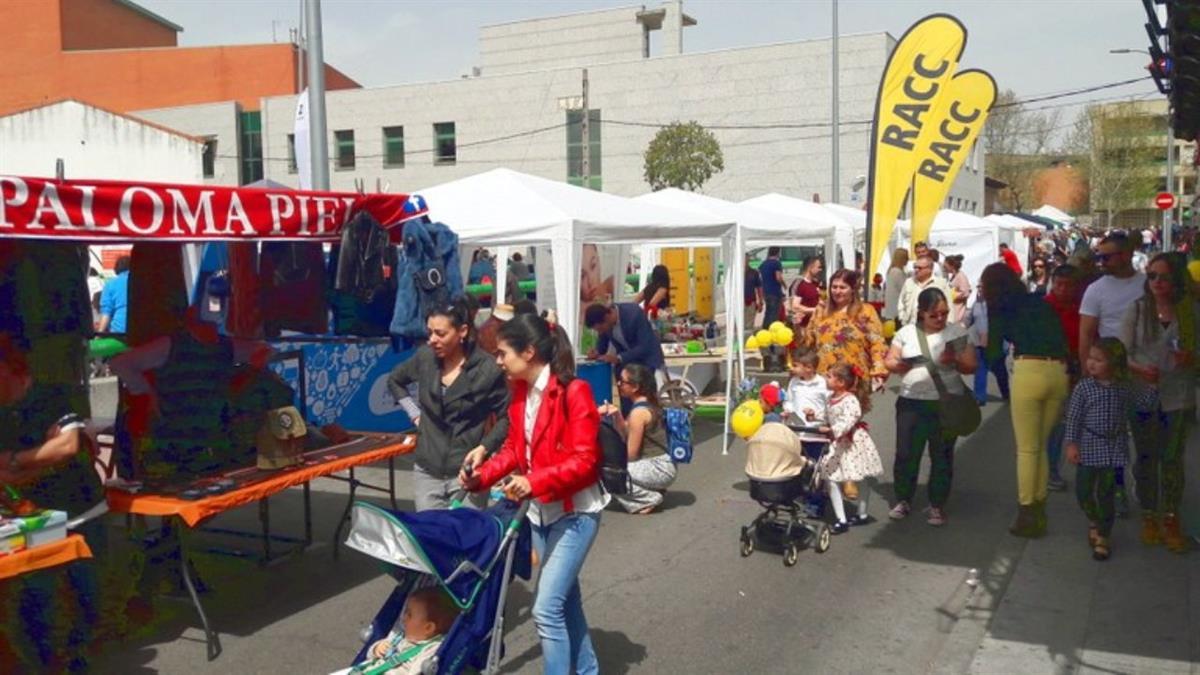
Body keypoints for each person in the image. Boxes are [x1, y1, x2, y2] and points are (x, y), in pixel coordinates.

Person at [460, 311, 605, 675]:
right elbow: (513, 449)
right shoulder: (521, 394)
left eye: (502, 353)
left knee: (545, 609)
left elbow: (585, 461)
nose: (497, 361)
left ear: (528, 353)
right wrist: (480, 477)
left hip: (576, 514)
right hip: (542, 513)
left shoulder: (574, 391)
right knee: (565, 603)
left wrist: (533, 481)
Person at [0, 333, 108, 671]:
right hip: (38, 520)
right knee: (39, 603)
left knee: (88, 600)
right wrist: (37, 460)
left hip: (83, 511)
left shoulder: (53, 394)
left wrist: (18, 460)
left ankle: (79, 656)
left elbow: (68, 447)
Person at [385, 299, 510, 511]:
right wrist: (415, 414)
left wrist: (485, 447)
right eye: (430, 332)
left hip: (467, 472)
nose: (432, 340)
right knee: (430, 537)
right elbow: (395, 380)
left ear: (462, 331)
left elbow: (506, 418)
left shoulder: (488, 369)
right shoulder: (425, 358)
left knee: (464, 538)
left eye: (440, 334)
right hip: (427, 468)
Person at [980, 263, 1070, 539]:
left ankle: (1027, 511)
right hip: (1058, 372)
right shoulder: (1037, 301)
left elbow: (994, 350)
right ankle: (1039, 504)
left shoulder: (999, 307)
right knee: (1040, 446)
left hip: (1029, 370)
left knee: (1027, 449)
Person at [1120, 253, 1198, 553]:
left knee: (1173, 459)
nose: (1156, 282)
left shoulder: (1190, 313)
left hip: (1178, 396)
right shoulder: (1138, 310)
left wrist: (1192, 359)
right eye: (1151, 276)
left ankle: (1170, 516)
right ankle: (1149, 513)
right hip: (1143, 393)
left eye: (1163, 277)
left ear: (1177, 280)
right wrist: (1139, 369)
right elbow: (1120, 353)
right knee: (1147, 457)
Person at [884, 288, 977, 527]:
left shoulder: (957, 332)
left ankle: (937, 504)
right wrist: (900, 364)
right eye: (934, 314)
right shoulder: (906, 332)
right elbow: (889, 359)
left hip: (945, 402)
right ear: (922, 313)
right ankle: (903, 498)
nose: (940, 319)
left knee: (942, 455)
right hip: (911, 401)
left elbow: (971, 366)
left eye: (944, 313)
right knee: (906, 453)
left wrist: (953, 359)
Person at [1064, 338, 1156, 561]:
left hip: (1114, 447)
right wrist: (1072, 444)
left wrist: (1152, 384)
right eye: (1090, 358)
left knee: (1107, 493)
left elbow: (1145, 402)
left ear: (1114, 364)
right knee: (1084, 491)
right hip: (1088, 444)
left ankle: (1104, 535)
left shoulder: (1124, 386)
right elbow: (1073, 417)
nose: (1092, 363)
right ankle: (1094, 519)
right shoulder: (1084, 387)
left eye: (1099, 360)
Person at [1079, 232, 1145, 515]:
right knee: (1112, 434)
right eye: (1099, 257)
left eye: (1107, 256)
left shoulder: (1147, 284)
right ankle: (1116, 486)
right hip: (1110, 374)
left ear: (1127, 254)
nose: (1101, 262)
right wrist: (1088, 373)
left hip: (1144, 373)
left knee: (1144, 435)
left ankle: (1146, 491)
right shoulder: (1096, 289)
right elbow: (1086, 333)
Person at [598, 364, 677, 515]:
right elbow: (627, 434)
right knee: (613, 468)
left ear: (635, 387)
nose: (619, 384)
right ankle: (652, 488)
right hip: (665, 465)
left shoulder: (638, 413)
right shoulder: (648, 403)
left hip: (657, 467)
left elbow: (631, 454)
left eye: (622, 381)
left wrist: (609, 461)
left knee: (607, 472)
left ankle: (648, 498)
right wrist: (617, 416)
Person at [818, 362, 884, 534]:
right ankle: (841, 519)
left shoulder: (850, 400)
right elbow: (827, 415)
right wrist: (814, 416)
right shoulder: (830, 398)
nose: (826, 377)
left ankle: (862, 513)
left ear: (841, 382)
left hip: (852, 443)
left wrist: (834, 430)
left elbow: (850, 418)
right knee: (831, 477)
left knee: (860, 477)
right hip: (837, 442)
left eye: (830, 376)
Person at [354, 587, 460, 675]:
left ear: (428, 628)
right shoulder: (399, 636)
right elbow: (370, 656)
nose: (404, 617)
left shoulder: (431, 649)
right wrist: (376, 648)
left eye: (409, 614)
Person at [1043, 264, 1083, 491]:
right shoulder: (1043, 307)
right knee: (1052, 425)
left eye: (1068, 285)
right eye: (1059, 284)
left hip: (1076, 371)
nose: (1063, 289)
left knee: (1065, 423)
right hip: (1047, 371)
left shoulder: (1081, 308)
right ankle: (1050, 470)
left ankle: (1056, 468)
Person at [584, 302, 666, 382]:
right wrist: (596, 352)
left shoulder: (634, 314)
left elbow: (645, 346)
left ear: (607, 317)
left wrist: (618, 358)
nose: (600, 332)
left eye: (600, 329)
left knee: (639, 389)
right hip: (628, 361)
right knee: (623, 384)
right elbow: (603, 342)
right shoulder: (604, 323)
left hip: (647, 359)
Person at [783, 349, 830, 463]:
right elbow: (789, 400)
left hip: (815, 430)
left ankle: (821, 478)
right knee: (797, 460)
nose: (791, 368)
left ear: (809, 368)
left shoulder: (822, 384)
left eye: (795, 365)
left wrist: (817, 415)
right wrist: (788, 410)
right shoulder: (794, 382)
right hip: (796, 429)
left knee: (816, 460)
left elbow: (829, 406)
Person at [966, 291, 1010, 406]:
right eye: (978, 287)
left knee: (1000, 370)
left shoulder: (1000, 303)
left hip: (997, 343)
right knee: (980, 369)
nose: (980, 289)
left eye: (982, 287)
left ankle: (1006, 393)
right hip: (980, 343)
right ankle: (980, 397)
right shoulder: (976, 304)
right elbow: (969, 320)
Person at [897, 254, 952, 327]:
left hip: (933, 329)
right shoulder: (908, 282)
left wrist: (947, 326)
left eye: (920, 268)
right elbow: (901, 302)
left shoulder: (941, 284)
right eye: (915, 267)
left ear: (930, 269)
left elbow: (949, 307)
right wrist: (902, 318)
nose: (916, 270)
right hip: (910, 327)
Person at [789, 256, 823, 336]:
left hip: (816, 325)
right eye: (818, 267)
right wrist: (814, 310)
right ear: (810, 267)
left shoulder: (815, 283)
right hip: (803, 328)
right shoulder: (799, 283)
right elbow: (794, 306)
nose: (820, 270)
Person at [97, 255, 130, 334]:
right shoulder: (146, 281)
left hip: (120, 331)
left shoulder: (111, 284)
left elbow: (106, 312)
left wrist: (99, 334)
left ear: (116, 269)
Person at [759, 246, 785, 329]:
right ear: (778, 252)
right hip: (775, 291)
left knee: (768, 312)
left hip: (766, 291)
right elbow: (778, 277)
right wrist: (784, 285)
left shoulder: (763, 264)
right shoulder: (776, 263)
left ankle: (765, 330)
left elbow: (760, 277)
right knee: (774, 313)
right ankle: (772, 331)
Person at [881, 248, 909, 327]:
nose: (908, 259)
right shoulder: (897, 272)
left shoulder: (892, 271)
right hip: (897, 311)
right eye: (906, 257)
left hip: (891, 310)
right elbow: (904, 289)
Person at [943, 255, 971, 325]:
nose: (944, 268)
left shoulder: (961, 276)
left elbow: (966, 293)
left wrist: (952, 295)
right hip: (951, 311)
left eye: (945, 266)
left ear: (951, 266)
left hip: (957, 313)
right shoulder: (954, 276)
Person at [743, 255, 764, 335]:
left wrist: (761, 302)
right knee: (738, 325)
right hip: (738, 303)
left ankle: (747, 342)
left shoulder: (754, 273)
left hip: (750, 302)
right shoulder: (735, 272)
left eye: (746, 259)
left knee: (749, 325)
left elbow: (759, 288)